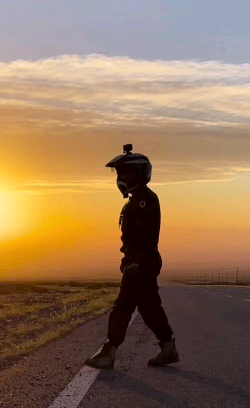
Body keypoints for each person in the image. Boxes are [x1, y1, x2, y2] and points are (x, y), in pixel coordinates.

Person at [84, 144, 180, 369]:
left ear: (139, 174)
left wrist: (135, 261)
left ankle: (109, 352)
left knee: (123, 306)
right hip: (137, 261)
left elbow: (146, 236)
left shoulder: (145, 200)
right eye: (119, 173)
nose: (120, 177)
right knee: (148, 307)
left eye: (124, 172)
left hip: (142, 262)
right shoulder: (135, 201)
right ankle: (168, 347)